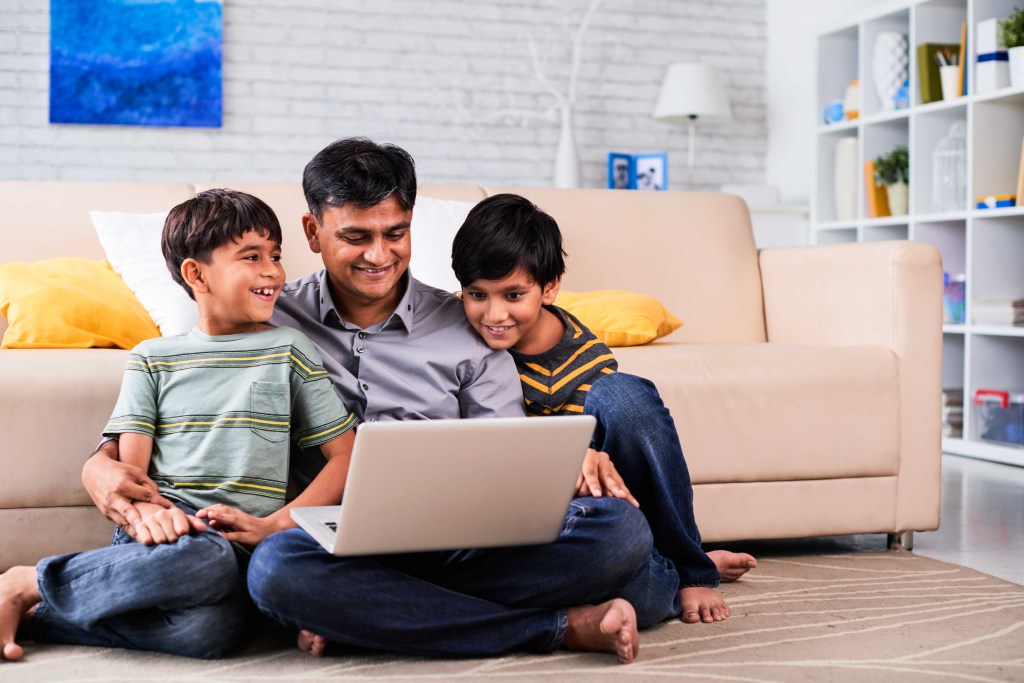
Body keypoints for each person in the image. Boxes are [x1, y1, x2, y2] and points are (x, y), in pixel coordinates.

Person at [76, 139, 663, 664]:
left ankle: (370, 617)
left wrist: (562, 463)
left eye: (395, 233)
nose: (379, 256)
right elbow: (178, 392)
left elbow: (509, 453)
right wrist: (99, 465)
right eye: (355, 236)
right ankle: (551, 626)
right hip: (325, 545)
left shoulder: (465, 326)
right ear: (312, 233)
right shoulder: (267, 315)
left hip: (458, 540)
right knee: (276, 575)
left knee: (621, 533)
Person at [0, 189, 358, 661]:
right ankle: (28, 580)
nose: (273, 270)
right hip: (164, 530)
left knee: (211, 633)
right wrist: (152, 515)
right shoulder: (153, 358)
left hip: (246, 545)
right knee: (202, 558)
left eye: (275, 255)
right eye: (251, 257)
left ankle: (38, 610)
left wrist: (275, 526)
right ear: (195, 274)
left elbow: (347, 456)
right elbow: (133, 472)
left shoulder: (289, 349)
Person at [450, 193, 757, 625]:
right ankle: (664, 572)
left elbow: (617, 461)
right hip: (533, 510)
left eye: (514, 294)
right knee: (632, 596)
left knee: (624, 396)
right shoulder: (455, 334)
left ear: (550, 287)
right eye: (476, 294)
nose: (493, 313)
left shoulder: (584, 358)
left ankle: (690, 569)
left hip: (596, 492)